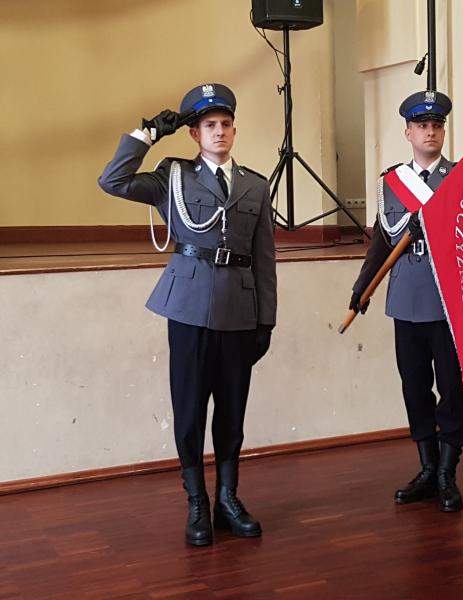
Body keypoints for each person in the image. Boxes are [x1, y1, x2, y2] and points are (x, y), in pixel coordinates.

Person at [98, 83, 277, 545]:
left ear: (234, 129)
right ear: (195, 134)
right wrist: (145, 137)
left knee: (232, 412)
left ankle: (228, 499)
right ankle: (197, 501)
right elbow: (113, 181)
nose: (219, 132)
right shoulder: (172, 177)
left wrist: (267, 318)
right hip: (191, 307)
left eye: (225, 124)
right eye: (209, 126)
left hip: (240, 308)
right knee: (191, 409)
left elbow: (264, 259)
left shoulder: (256, 184)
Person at [349, 90, 463, 512]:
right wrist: (363, 287)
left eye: (437, 125)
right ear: (408, 132)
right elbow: (381, 242)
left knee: (453, 390)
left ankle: (447, 472)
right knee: (415, 387)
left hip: (449, 299)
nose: (430, 131)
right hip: (406, 297)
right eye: (422, 125)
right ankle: (426, 466)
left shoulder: (461, 177)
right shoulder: (391, 182)